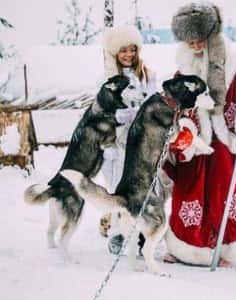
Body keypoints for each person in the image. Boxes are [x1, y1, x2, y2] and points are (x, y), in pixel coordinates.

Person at [161, 2, 236, 267]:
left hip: (228, 146)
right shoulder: (182, 70)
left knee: (225, 193)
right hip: (196, 145)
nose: (194, 45)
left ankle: (228, 250)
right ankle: (186, 249)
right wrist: (182, 130)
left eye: (199, 38)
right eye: (189, 40)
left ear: (211, 33)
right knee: (188, 195)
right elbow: (176, 107)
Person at [100, 25, 157, 254]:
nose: (128, 55)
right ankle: (118, 233)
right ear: (115, 52)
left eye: (132, 49)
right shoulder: (106, 78)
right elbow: (99, 111)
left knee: (142, 188)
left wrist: (143, 114)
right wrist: (117, 116)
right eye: (123, 50)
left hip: (140, 141)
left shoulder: (147, 75)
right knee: (117, 188)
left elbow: (154, 104)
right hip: (115, 142)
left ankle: (142, 234)